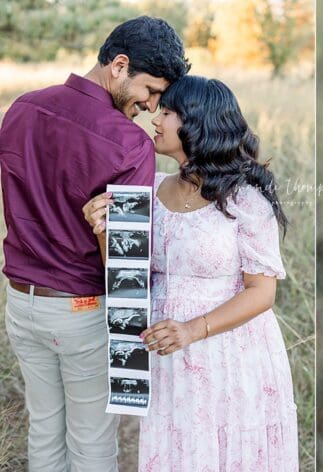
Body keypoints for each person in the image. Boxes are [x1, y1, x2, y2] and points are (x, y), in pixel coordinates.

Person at [0, 16, 189, 471]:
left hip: (19, 304)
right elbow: (125, 263)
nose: (149, 107)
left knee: (44, 427)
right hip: (81, 311)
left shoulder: (21, 109)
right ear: (119, 65)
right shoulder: (128, 143)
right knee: (91, 442)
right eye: (150, 91)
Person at [83, 75, 299, 471]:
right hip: (168, 356)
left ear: (198, 122)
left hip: (230, 352)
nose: (155, 120)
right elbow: (125, 281)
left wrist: (191, 329)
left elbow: (261, 293)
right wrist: (103, 231)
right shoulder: (144, 187)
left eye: (167, 112)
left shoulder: (245, 198)